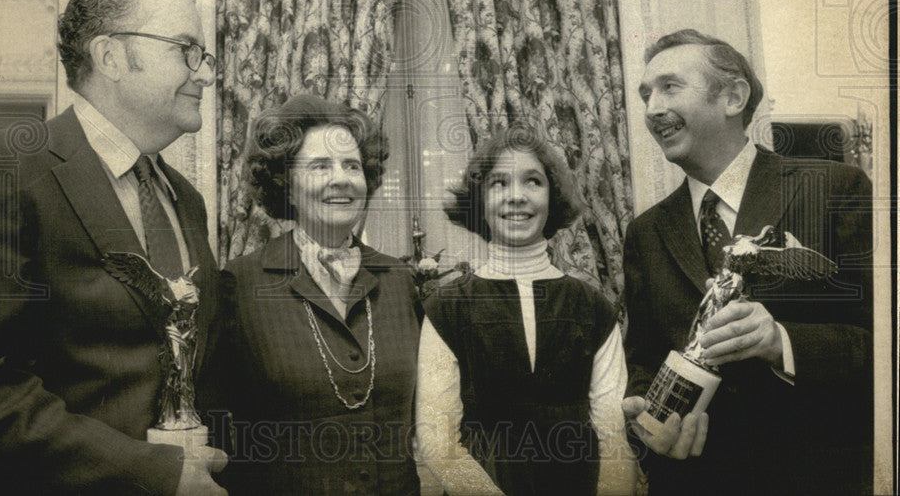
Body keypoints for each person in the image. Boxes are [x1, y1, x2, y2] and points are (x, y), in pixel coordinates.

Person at [0, 0, 227, 495]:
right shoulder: (8, 168)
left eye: (204, 56)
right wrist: (154, 474)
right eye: (187, 49)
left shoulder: (186, 200)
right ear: (111, 56)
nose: (206, 74)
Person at [622, 29, 873, 495]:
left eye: (670, 87)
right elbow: (643, 358)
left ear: (733, 96)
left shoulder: (837, 190)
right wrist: (648, 423)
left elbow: (883, 348)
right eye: (646, 94)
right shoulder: (645, 232)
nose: (652, 108)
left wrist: (781, 342)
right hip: (694, 481)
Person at [204, 94, 422, 495]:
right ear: (285, 182)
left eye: (351, 165)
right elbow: (217, 432)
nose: (340, 178)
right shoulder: (239, 284)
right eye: (319, 166)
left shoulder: (399, 280)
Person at [416, 127, 636, 496]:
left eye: (532, 181)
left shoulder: (592, 307)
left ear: (553, 196)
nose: (516, 196)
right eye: (499, 183)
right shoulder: (446, 308)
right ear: (479, 200)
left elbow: (614, 438)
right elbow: (439, 442)